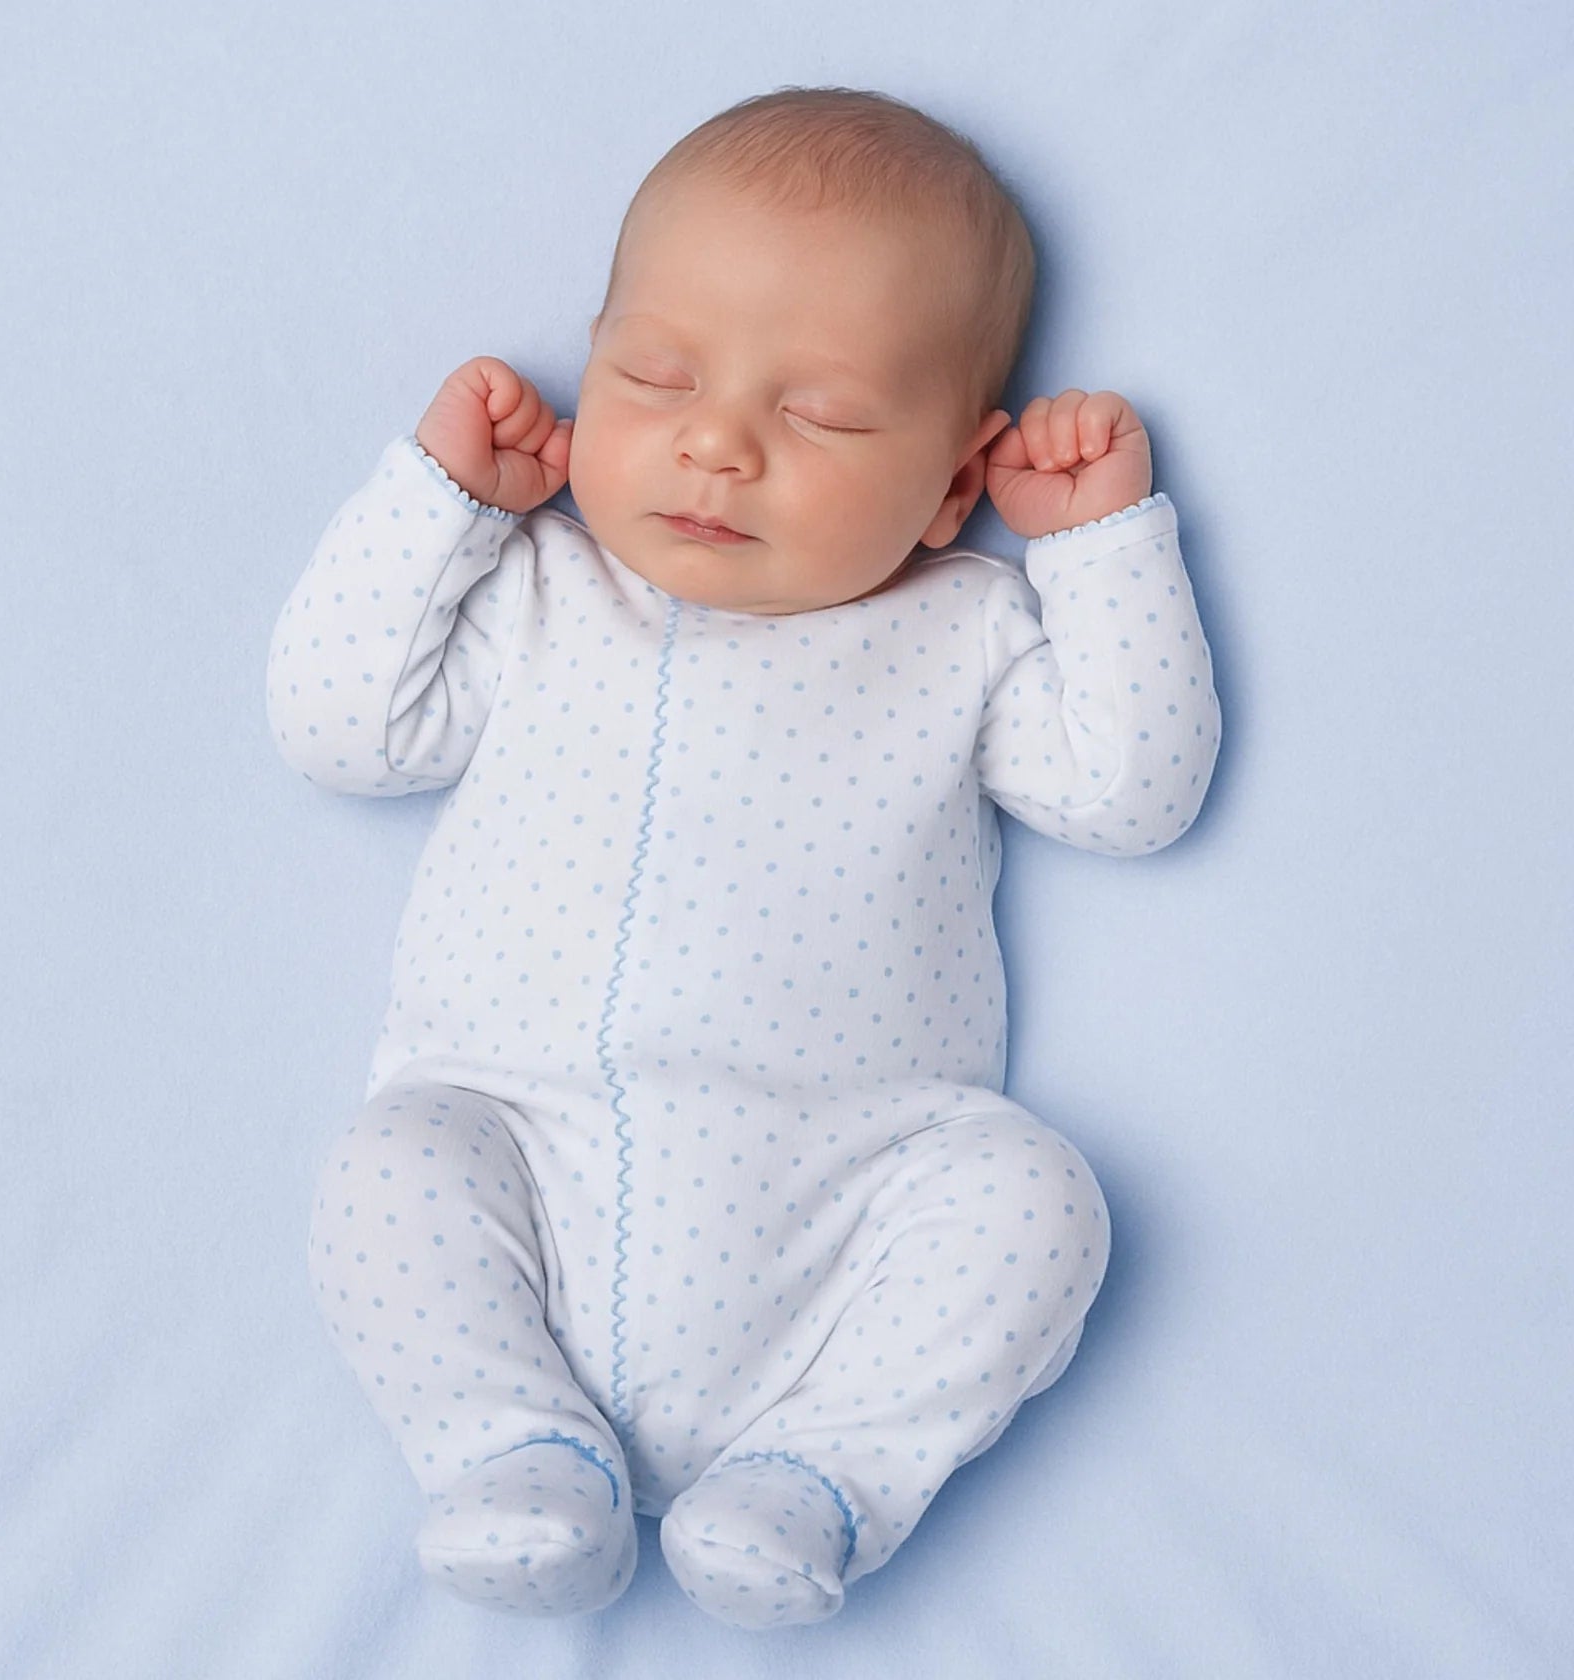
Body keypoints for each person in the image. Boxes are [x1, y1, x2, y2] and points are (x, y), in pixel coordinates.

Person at [266, 85, 1221, 1631]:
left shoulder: (962, 629)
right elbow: (338, 727)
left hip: (847, 1190)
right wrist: (439, 499)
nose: (714, 442)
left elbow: (1134, 792)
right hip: (525, 1142)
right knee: (389, 1169)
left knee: (1035, 1200)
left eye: (823, 414)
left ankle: (821, 1479)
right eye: (653, 374)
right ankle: (510, 1450)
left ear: (955, 482)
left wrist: (1100, 549)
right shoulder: (537, 594)